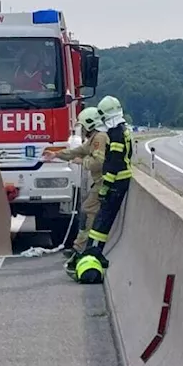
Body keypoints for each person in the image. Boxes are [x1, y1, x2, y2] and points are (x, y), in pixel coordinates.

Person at [73, 95, 133, 283]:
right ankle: (93, 250)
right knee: (101, 219)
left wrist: (106, 186)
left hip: (116, 182)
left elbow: (113, 163)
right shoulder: (123, 130)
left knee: (102, 219)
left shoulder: (114, 133)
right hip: (122, 179)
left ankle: (94, 252)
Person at [44, 106, 108, 258]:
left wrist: (82, 161)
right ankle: (80, 246)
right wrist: (56, 155)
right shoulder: (93, 139)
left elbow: (98, 162)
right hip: (100, 182)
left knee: (87, 211)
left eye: (83, 126)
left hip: (103, 182)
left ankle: (81, 248)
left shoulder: (100, 138)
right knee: (86, 210)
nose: (83, 129)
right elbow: (76, 151)